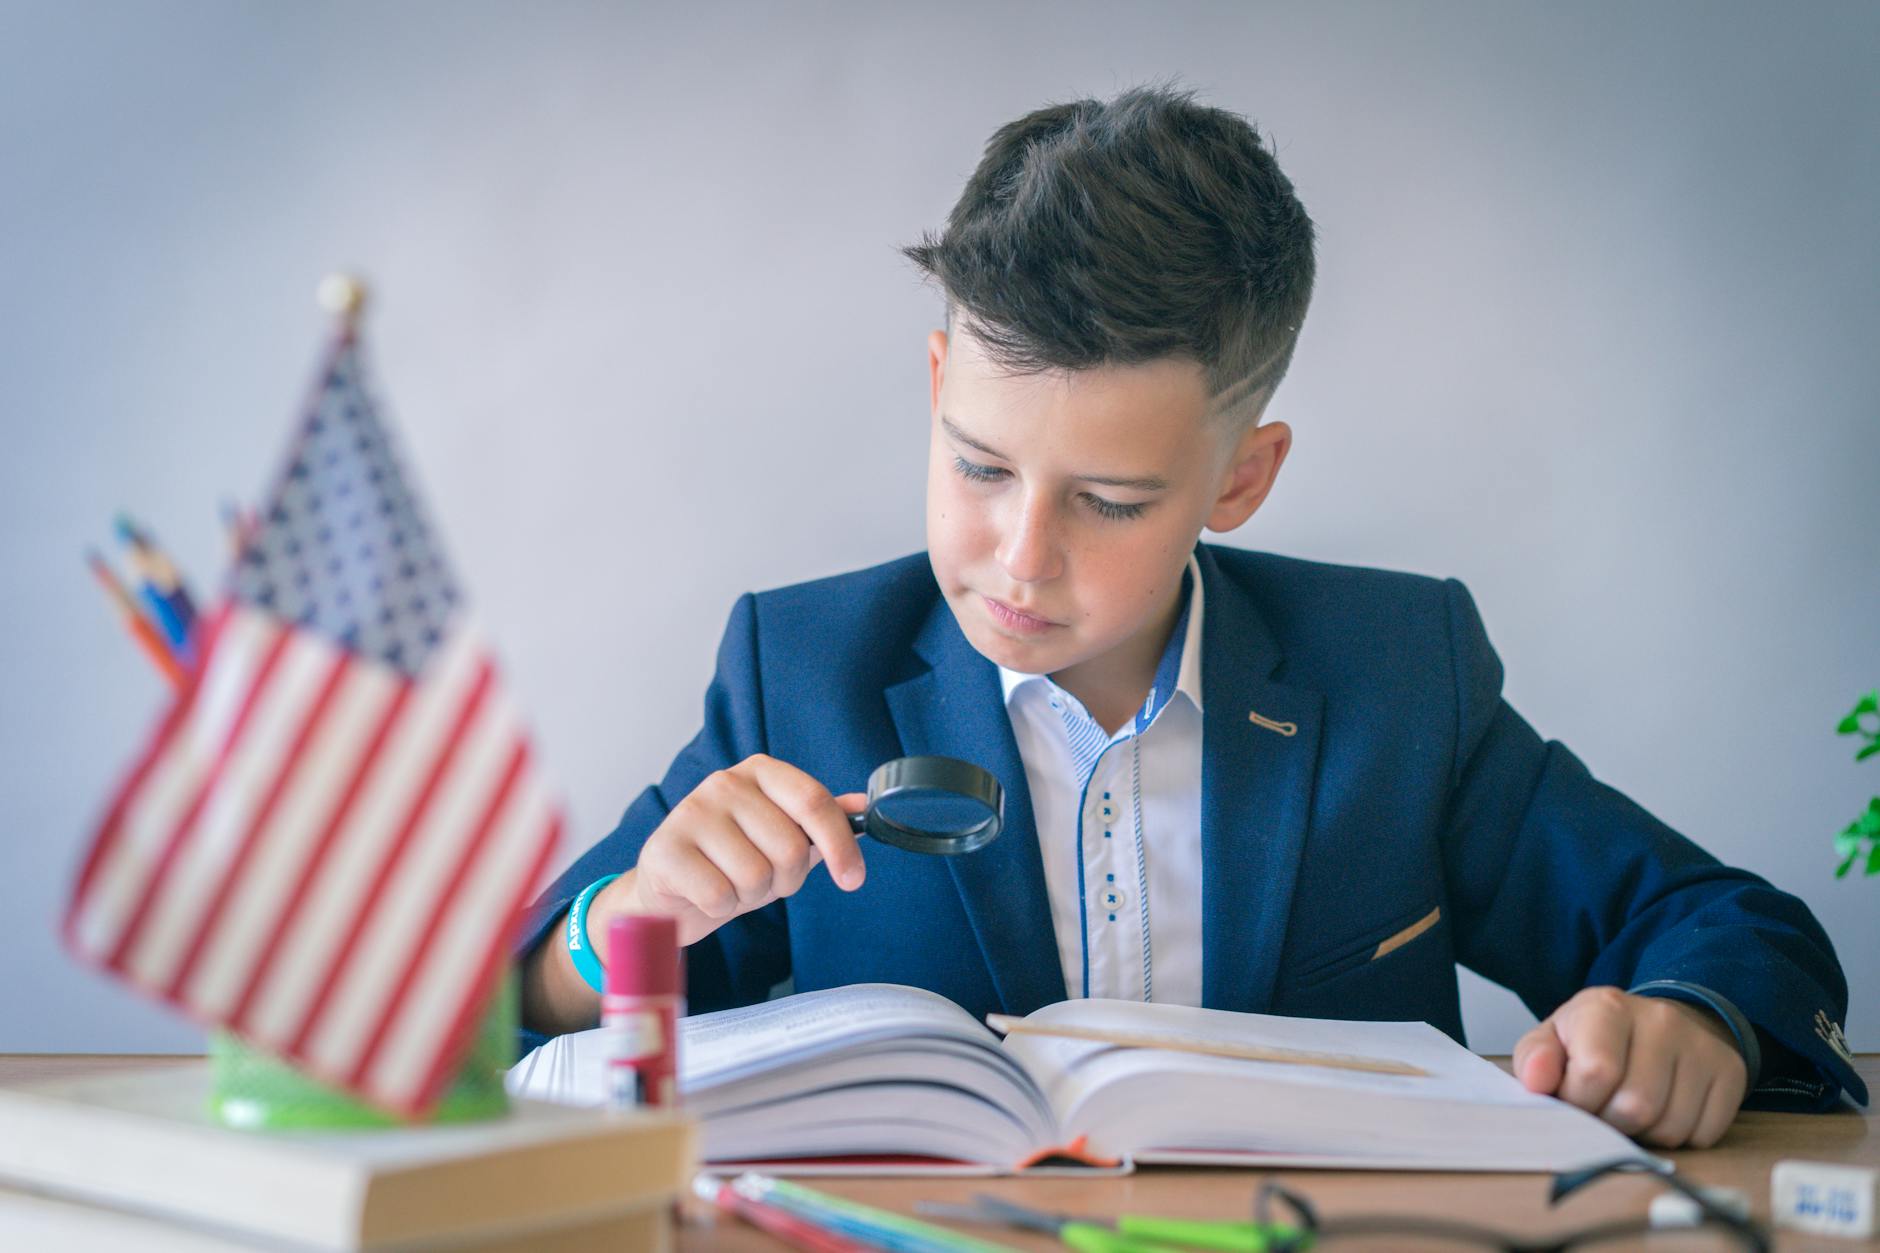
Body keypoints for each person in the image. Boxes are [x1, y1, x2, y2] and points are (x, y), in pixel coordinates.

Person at [517, 86, 1862, 1147]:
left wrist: (1697, 1018)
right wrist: (617, 924)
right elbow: (515, 1009)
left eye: (1107, 500)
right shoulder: (798, 670)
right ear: (937, 380)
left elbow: (1735, 927)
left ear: (1241, 478)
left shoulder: (1402, 679)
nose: (1018, 557)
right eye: (979, 464)